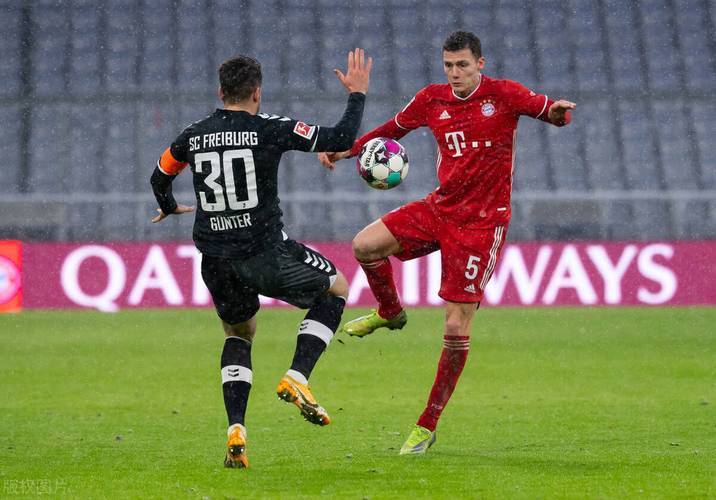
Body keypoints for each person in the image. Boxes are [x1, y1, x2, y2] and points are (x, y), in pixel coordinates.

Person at [319, 31, 575, 455]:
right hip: (440, 208)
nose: (455, 73)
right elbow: (392, 130)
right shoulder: (431, 99)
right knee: (365, 245)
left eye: (463, 65)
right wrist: (347, 150)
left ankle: (427, 424)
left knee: (456, 326)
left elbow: (548, 111)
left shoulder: (504, 94)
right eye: (449, 66)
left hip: (482, 226)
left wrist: (560, 114)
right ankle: (390, 311)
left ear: (480, 64)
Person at [150, 49, 372, 468]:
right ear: (257, 93)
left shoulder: (192, 135)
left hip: (216, 258)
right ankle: (297, 376)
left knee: (239, 333)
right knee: (336, 288)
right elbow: (342, 138)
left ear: (220, 92)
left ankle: (236, 429)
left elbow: (160, 175)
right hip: (263, 251)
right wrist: (357, 94)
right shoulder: (269, 128)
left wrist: (168, 205)